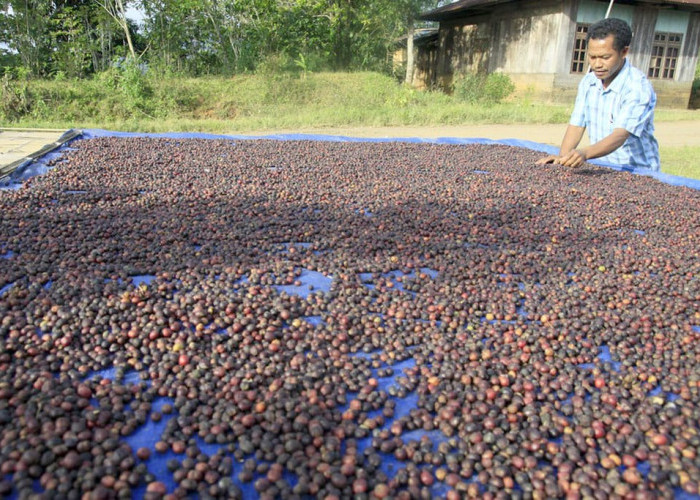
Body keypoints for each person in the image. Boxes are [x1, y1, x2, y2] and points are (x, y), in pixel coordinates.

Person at [536, 18, 660, 170]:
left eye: (605, 57)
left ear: (624, 52)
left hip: (638, 171)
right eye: (592, 57)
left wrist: (584, 153)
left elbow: (620, 135)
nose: (597, 64)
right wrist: (563, 159)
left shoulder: (637, 87)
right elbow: (577, 125)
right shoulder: (589, 82)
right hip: (604, 166)